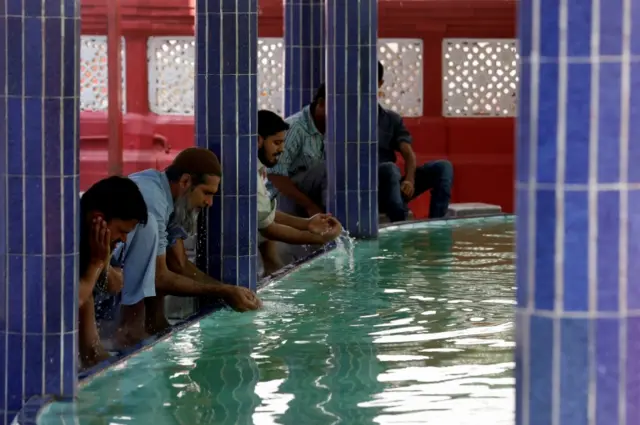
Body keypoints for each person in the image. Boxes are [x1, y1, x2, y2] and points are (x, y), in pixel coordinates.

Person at [112, 148, 262, 349]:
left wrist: (229, 291)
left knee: (158, 257)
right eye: (207, 193)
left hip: (114, 272)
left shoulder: (170, 199)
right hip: (101, 274)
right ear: (185, 182)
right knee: (149, 238)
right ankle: (130, 330)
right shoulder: (152, 202)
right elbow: (160, 277)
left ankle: (153, 325)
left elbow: (179, 265)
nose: (209, 203)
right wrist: (224, 291)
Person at [268, 61, 454, 222]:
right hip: (294, 197)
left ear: (380, 84)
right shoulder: (297, 127)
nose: (342, 113)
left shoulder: (387, 119)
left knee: (439, 167)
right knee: (376, 169)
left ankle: (436, 224)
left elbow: (407, 153)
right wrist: (311, 207)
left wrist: (410, 180)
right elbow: (275, 175)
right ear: (323, 103)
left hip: (386, 183)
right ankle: (393, 221)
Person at [256, 109, 343, 275]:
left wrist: (307, 223)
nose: (282, 149)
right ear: (258, 140)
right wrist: (320, 238)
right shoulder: (249, 175)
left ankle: (270, 268)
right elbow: (268, 227)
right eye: (276, 143)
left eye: (283, 143)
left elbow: (265, 213)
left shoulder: (258, 169)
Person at [79, 176, 148, 368]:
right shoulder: (65, 237)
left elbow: (116, 284)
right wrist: (95, 264)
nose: (124, 240)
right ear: (98, 219)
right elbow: (69, 302)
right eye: (122, 231)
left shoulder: (96, 241)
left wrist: (103, 261)